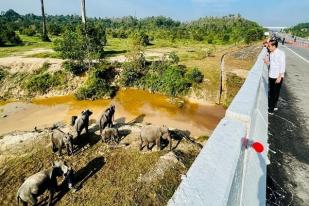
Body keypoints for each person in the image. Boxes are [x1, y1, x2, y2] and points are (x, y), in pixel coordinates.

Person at [263, 39, 286, 114]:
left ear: (274, 46)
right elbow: (272, 63)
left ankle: (271, 109)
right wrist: (267, 62)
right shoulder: (271, 52)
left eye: (269, 46)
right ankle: (274, 106)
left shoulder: (280, 53)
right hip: (271, 75)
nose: (268, 47)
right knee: (274, 92)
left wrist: (279, 77)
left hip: (277, 76)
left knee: (273, 93)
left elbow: (282, 66)